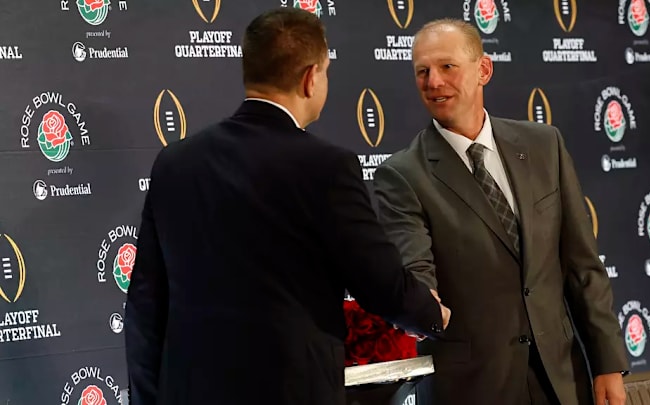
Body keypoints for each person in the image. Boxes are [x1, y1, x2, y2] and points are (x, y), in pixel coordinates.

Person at [124, 8, 450, 405]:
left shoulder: (174, 163)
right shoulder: (326, 168)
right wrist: (430, 315)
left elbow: (145, 304)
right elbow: (378, 282)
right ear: (311, 77)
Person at [373, 19, 628, 405]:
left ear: (484, 70)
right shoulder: (402, 175)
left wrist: (608, 364)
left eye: (447, 67)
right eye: (422, 71)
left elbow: (582, 266)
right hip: (472, 388)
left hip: (562, 379)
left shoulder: (545, 145)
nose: (433, 82)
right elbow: (414, 269)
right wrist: (421, 304)